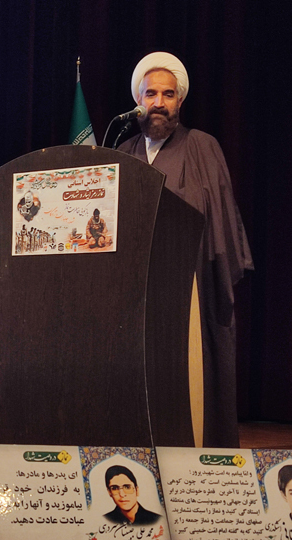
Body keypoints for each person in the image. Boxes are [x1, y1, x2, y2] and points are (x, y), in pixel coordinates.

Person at [118, 52, 253, 447]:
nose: (159, 102)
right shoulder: (124, 150)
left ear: (180, 101)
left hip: (190, 285)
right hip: (134, 291)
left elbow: (219, 216)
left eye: (168, 94)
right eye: (151, 94)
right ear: (138, 100)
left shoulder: (201, 146)